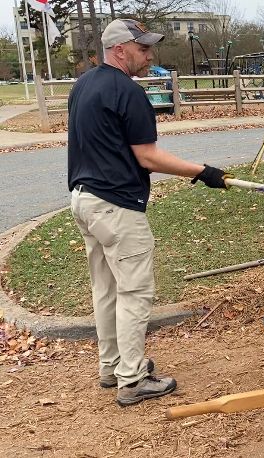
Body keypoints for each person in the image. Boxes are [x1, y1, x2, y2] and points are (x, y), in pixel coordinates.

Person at [67, 19, 231, 406]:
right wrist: (202, 172)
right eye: (143, 49)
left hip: (84, 201)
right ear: (120, 49)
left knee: (105, 290)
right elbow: (148, 157)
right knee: (135, 293)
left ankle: (113, 367)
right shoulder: (129, 92)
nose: (150, 55)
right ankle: (132, 379)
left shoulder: (83, 86)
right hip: (118, 208)